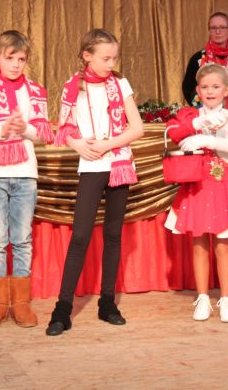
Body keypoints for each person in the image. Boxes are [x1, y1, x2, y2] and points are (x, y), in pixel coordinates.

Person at [45, 29, 144, 336]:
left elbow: (137, 127)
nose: (111, 64)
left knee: (113, 234)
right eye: (105, 58)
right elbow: (65, 129)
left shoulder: (120, 84)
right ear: (87, 56)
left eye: (114, 58)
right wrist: (78, 144)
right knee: (80, 236)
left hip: (117, 163)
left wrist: (108, 144)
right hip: (91, 165)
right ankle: (62, 309)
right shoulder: (73, 86)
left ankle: (107, 303)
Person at [165, 64, 228, 323]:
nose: (210, 91)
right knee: (199, 244)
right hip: (197, 185)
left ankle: (226, 300)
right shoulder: (190, 115)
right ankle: (202, 299)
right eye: (205, 87)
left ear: (227, 89)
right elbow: (173, 133)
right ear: (198, 90)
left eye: (216, 87)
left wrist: (207, 140)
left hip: (223, 185)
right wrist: (196, 124)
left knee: (223, 244)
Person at [0, 30, 53, 329]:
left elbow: (44, 135)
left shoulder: (35, 91)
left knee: (22, 239)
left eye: (21, 59)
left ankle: (20, 304)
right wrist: (1, 132)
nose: (16, 64)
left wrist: (24, 128)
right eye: (9, 58)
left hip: (25, 174)